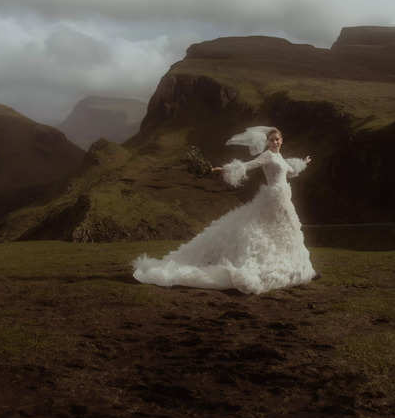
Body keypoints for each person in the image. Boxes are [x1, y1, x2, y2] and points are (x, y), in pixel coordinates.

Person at [133, 126, 318, 294]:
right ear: (267, 142)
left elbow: (290, 172)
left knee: (288, 232)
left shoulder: (280, 158)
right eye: (272, 140)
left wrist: (304, 163)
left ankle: (300, 267)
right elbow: (248, 165)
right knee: (267, 231)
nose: (275, 142)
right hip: (273, 199)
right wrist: (225, 169)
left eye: (277, 139)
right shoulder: (268, 156)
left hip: (284, 199)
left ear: (282, 140)